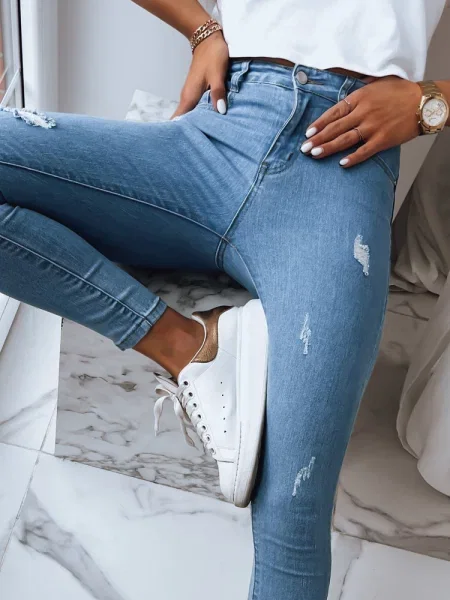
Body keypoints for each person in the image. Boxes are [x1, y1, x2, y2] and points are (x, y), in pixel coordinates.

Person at [0, 0, 449, 597]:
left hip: (341, 170)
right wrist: (201, 29)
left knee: (293, 510)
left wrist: (431, 100)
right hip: (217, 128)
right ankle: (186, 346)